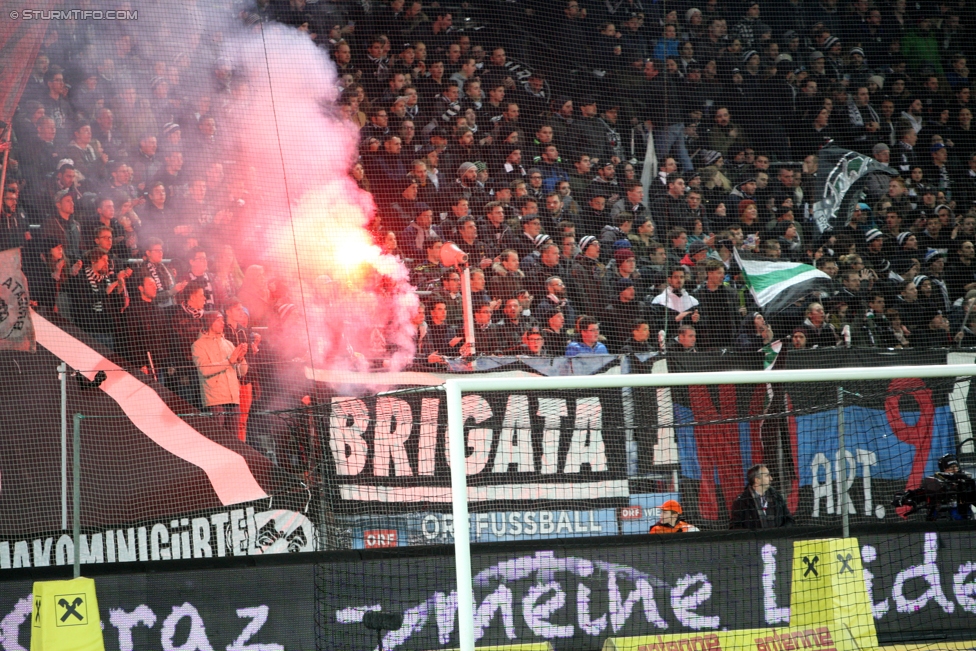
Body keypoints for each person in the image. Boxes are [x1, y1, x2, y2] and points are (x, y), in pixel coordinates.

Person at [192, 310, 249, 434]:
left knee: (233, 440)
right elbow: (204, 370)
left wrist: (241, 358)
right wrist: (229, 361)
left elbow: (242, 372)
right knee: (218, 438)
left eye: (223, 320)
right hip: (215, 400)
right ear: (209, 322)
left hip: (233, 398)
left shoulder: (228, 344)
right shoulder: (198, 345)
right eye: (218, 320)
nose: (222, 323)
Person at [729, 464, 794, 529]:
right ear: (757, 480)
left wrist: (780, 533)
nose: (771, 478)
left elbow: (789, 520)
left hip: (777, 538)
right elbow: (735, 527)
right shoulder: (741, 503)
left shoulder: (777, 498)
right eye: (767, 476)